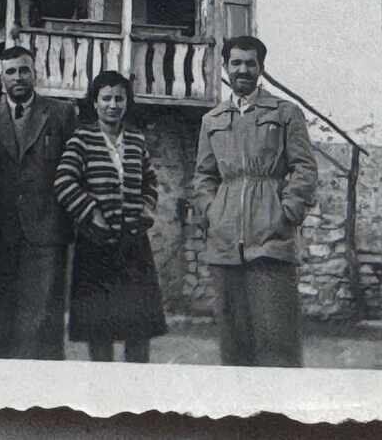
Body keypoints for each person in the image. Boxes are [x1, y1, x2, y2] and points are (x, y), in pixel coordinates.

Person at [193, 35, 318, 367]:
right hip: (225, 246)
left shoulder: (285, 113)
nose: (243, 70)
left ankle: (279, 417)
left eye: (250, 63)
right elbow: (204, 176)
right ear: (225, 67)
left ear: (261, 68)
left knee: (278, 346)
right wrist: (211, 212)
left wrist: (286, 212)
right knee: (234, 348)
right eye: (236, 63)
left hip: (271, 243)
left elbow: (304, 168)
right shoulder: (212, 120)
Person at [54, 70, 167, 362]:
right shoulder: (82, 140)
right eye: (106, 98)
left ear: (127, 102)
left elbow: (150, 182)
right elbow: (64, 181)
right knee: (99, 331)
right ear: (95, 102)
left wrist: (144, 210)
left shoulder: (136, 141)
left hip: (133, 248)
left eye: (119, 98)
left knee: (139, 331)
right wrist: (92, 214)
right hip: (96, 248)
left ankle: (135, 398)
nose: (113, 105)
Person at [0, 44, 77, 359]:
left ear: (35, 73)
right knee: (0, 319)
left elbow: (74, 169)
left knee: (44, 320)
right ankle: (1, 397)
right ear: (1, 79)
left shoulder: (61, 114)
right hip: (1, 232)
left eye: (24, 70)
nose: (18, 77)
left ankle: (44, 398)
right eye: (10, 72)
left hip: (46, 232)